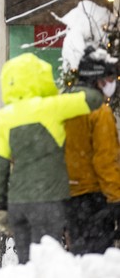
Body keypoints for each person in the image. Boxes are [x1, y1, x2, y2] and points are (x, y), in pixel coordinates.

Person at [0, 53, 104, 264]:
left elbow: (0, 165)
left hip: (18, 203)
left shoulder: (3, 118)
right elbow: (94, 99)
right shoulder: (52, 107)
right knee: (47, 260)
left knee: (26, 261)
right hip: (49, 201)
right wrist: (68, 92)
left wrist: (1, 206)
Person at [63, 47, 120, 255]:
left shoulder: (64, 104)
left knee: (79, 257)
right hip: (94, 198)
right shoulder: (99, 110)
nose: (112, 83)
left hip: (68, 197)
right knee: (96, 261)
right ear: (98, 79)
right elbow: (105, 159)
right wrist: (116, 199)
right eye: (109, 78)